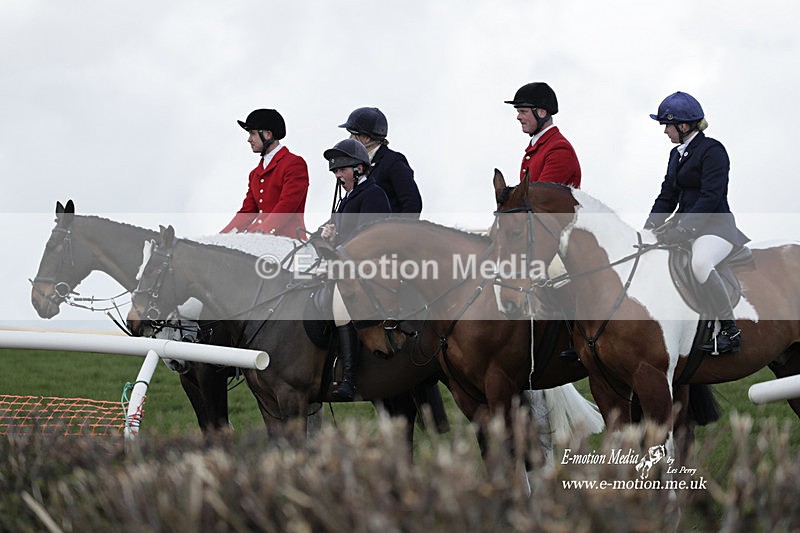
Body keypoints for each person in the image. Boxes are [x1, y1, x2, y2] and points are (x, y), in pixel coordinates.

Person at [645, 91, 749, 354]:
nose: (664, 131)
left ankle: (730, 329)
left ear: (683, 126)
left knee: (700, 263)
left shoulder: (712, 150)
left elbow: (711, 197)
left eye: (666, 125)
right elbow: (667, 195)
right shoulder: (675, 155)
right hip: (685, 227)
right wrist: (648, 228)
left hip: (716, 227)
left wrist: (685, 229)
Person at [320, 138, 391, 401]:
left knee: (340, 306)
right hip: (345, 266)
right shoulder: (347, 198)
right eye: (336, 171)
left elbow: (369, 241)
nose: (338, 175)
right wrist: (326, 235)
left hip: (367, 271)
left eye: (342, 170)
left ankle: (348, 380)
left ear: (359, 169)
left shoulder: (373, 195)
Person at [221, 109, 309, 238]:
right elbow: (248, 211)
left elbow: (287, 204)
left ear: (268, 134)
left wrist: (262, 231)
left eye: (252, 134)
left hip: (286, 239)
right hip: (257, 236)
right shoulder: (255, 174)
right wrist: (221, 237)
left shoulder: (294, 163)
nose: (249, 139)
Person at [338, 107, 422, 216]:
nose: (349, 138)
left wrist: (398, 231)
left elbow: (412, 203)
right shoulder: (356, 165)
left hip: (386, 230)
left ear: (366, 138)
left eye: (353, 134)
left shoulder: (393, 162)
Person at [505, 82, 581, 188]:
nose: (518, 117)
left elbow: (539, 196)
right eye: (518, 111)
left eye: (523, 111)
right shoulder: (538, 147)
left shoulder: (559, 149)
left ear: (541, 112)